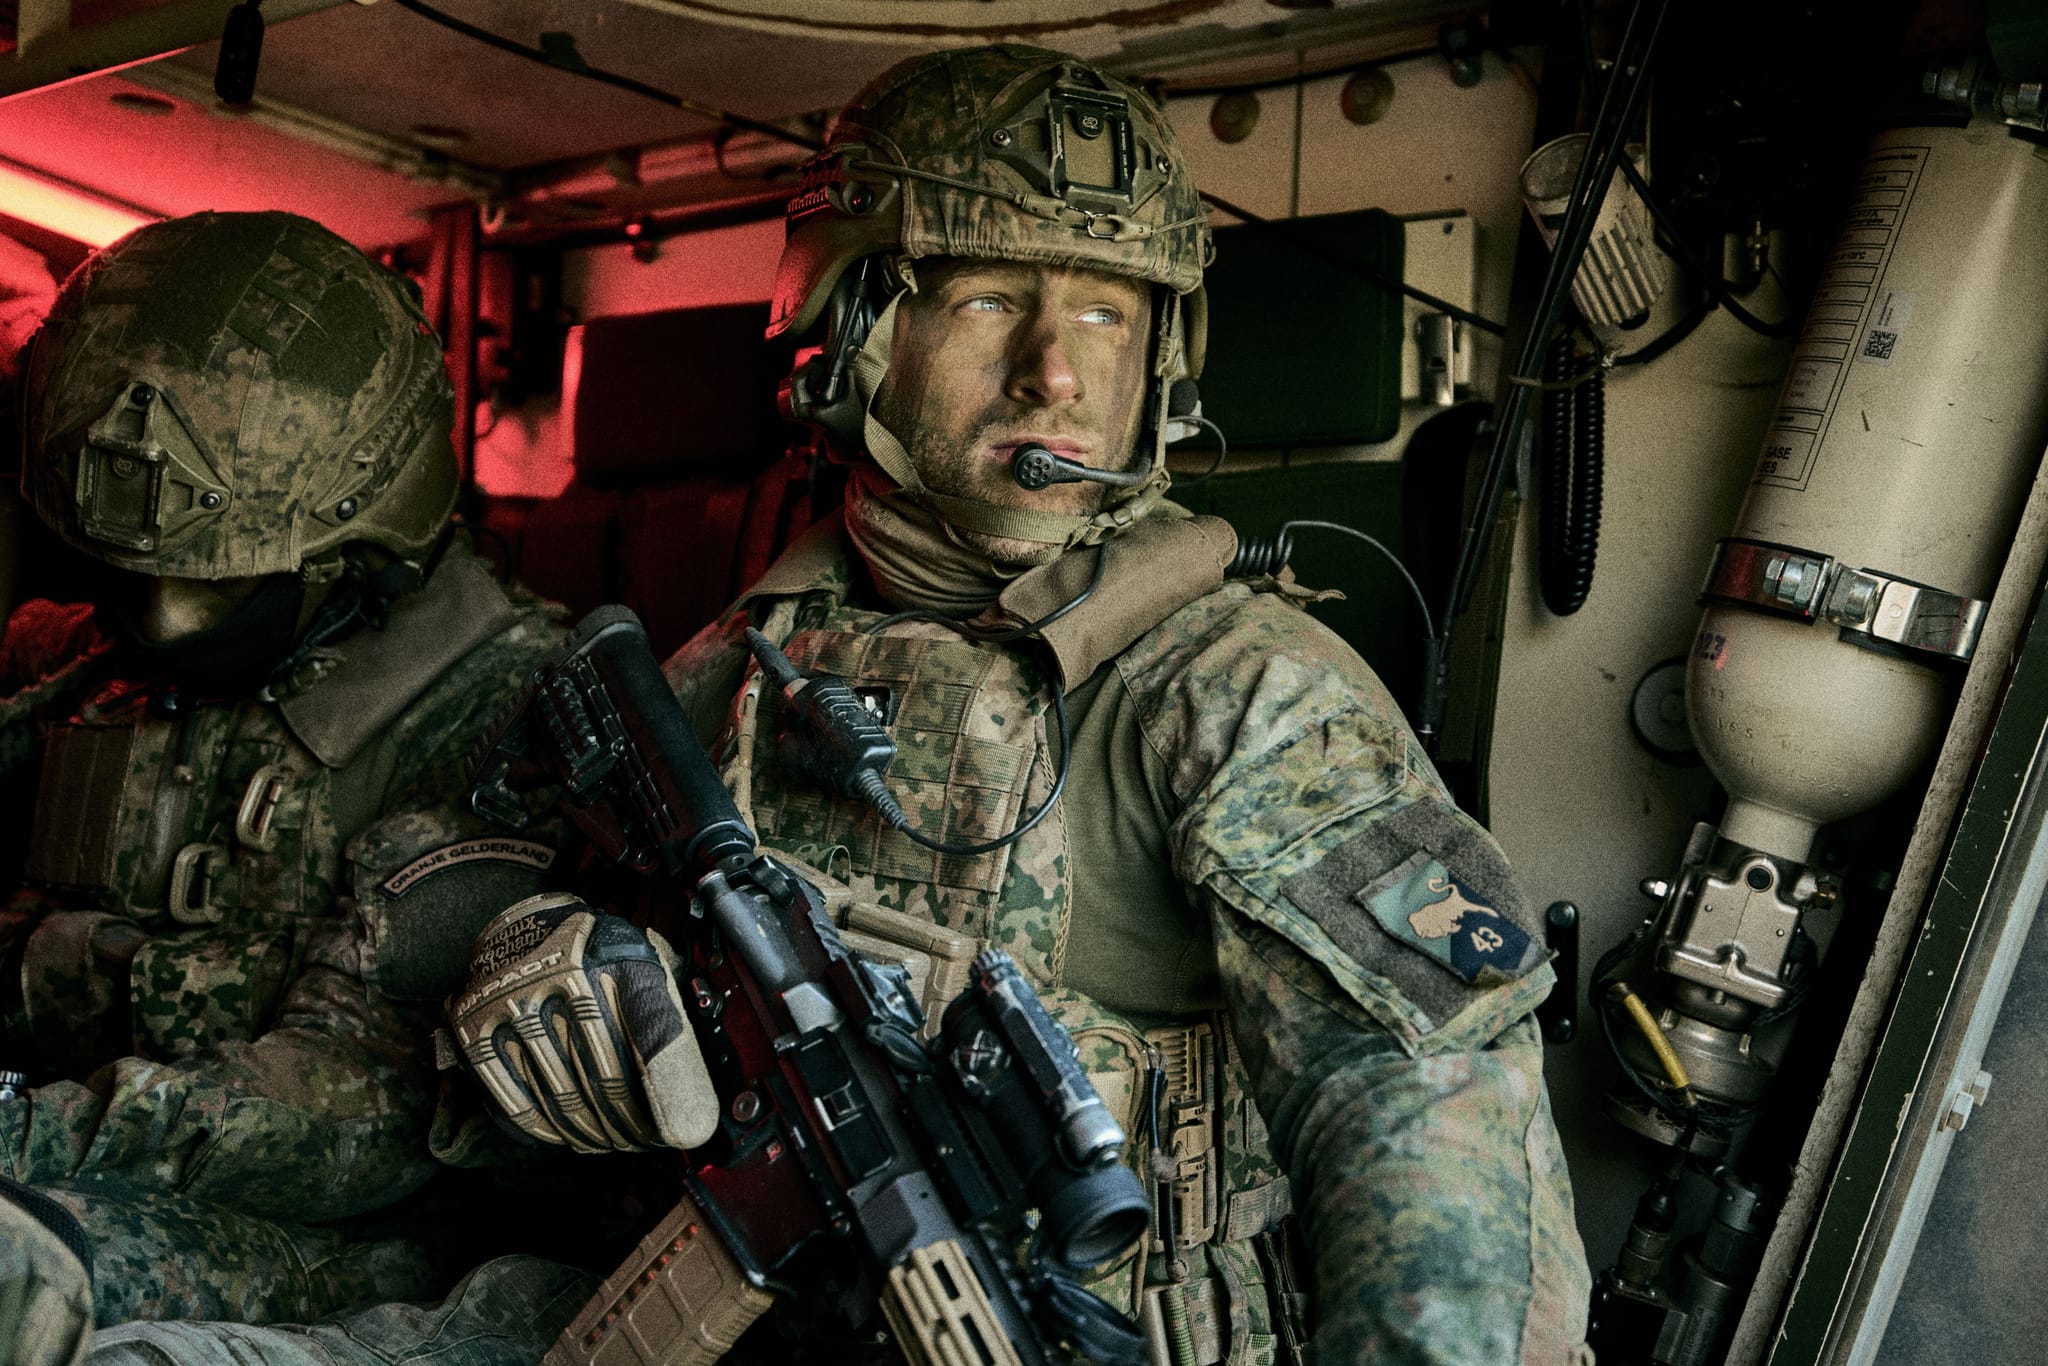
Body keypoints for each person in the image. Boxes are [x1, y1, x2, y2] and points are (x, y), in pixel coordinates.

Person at [93, 44, 1592, 1366]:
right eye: (990, 297)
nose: (1054, 375)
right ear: (855, 328)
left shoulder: (1241, 693)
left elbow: (1432, 1122)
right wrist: (543, 965)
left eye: (1106, 315)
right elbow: (445, 931)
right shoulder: (731, 665)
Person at [0, 210, 570, 1361]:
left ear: (361, 542)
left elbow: (357, 1114)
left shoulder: (505, 718)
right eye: (127, 577)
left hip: (351, 1236)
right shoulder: (85, 662)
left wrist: (26, 1133)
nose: (161, 623)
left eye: (214, 587)